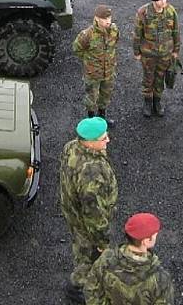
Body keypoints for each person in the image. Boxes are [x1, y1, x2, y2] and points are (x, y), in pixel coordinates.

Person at [60, 117, 118, 304]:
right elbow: (93, 213)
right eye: (103, 138)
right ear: (90, 142)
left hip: (72, 211)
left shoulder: (71, 146)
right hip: (86, 223)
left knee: (81, 246)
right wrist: (102, 241)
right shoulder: (92, 172)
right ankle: (78, 287)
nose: (108, 140)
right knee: (88, 255)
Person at [85, 212, 175, 305]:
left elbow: (91, 290)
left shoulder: (106, 258)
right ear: (146, 241)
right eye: (155, 235)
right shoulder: (160, 278)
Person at [133, 0, 180, 118]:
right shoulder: (143, 13)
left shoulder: (170, 11)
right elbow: (137, 34)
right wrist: (136, 52)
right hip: (149, 54)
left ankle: (157, 102)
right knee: (148, 78)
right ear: (154, 1)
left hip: (165, 53)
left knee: (160, 78)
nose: (164, 1)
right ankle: (147, 101)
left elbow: (176, 31)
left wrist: (176, 50)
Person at [72, 5, 119, 124]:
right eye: (105, 19)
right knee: (91, 98)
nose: (108, 21)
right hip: (93, 74)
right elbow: (77, 48)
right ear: (97, 19)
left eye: (109, 18)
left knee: (105, 95)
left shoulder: (114, 30)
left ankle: (102, 117)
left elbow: (115, 44)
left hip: (108, 72)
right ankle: (91, 122)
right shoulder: (87, 34)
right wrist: (89, 61)